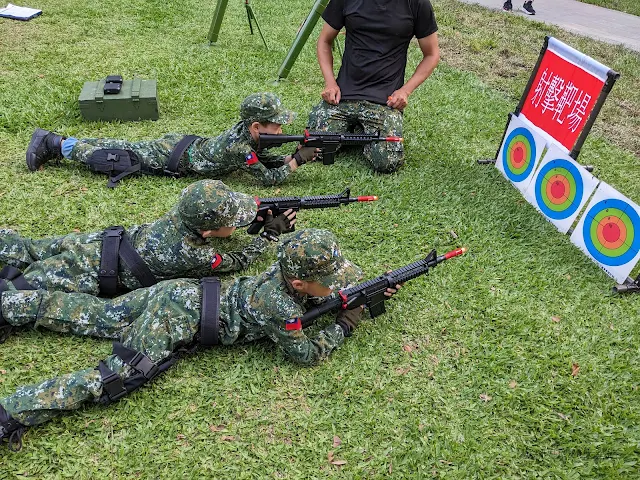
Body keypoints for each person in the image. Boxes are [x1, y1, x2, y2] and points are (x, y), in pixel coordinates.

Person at [0, 229, 401, 451]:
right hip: (178, 320)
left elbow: (324, 287)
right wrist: (345, 324)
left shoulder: (286, 276)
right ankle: (12, 412)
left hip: (179, 292)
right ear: (298, 282)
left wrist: (360, 290)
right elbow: (306, 354)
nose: (334, 286)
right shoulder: (280, 307)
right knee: (116, 376)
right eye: (327, 282)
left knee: (94, 314)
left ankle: (10, 304)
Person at [0, 180, 295, 302]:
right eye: (234, 220)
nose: (238, 222)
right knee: (19, 290)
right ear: (208, 232)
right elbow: (236, 262)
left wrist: (251, 219)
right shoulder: (195, 254)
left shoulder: (185, 211)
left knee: (28, 248)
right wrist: (269, 234)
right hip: (94, 270)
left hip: (102, 242)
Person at [25, 93, 317, 187]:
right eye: (277, 126)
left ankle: (63, 142)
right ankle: (55, 144)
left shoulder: (246, 135)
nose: (280, 131)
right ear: (256, 126)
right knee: (116, 158)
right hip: (173, 156)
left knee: (119, 145)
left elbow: (265, 158)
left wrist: (288, 155)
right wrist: (297, 161)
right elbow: (268, 179)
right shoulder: (240, 147)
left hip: (183, 146)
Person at [307, 0, 440, 173]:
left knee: (387, 163)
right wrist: (330, 83)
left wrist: (405, 91)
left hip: (385, 101)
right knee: (313, 150)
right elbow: (324, 41)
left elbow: (432, 54)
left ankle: (362, 134)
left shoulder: (417, 4)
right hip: (343, 97)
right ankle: (359, 132)